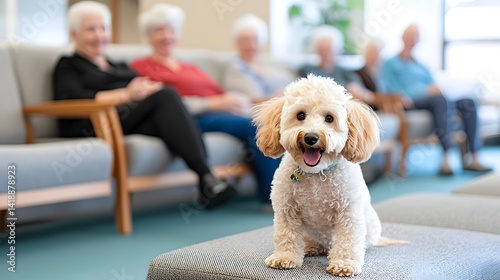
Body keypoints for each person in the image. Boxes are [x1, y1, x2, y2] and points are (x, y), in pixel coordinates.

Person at [53, 1, 237, 209]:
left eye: (104, 28)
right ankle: (206, 177)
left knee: (168, 110)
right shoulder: (68, 65)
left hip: (125, 121)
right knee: (167, 95)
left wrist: (145, 90)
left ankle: (207, 181)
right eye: (91, 29)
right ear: (73, 34)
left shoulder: (119, 65)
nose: (99, 35)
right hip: (93, 123)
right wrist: (126, 94)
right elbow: (71, 97)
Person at [130, 4, 280, 208]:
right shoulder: (141, 67)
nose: (167, 36)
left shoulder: (190, 66)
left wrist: (236, 102)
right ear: (148, 37)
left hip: (224, 111)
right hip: (193, 119)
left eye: (171, 30)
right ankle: (274, 200)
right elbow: (167, 106)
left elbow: (220, 93)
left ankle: (297, 191)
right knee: (255, 127)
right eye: (159, 31)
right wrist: (213, 103)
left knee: (274, 123)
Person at [380, 24, 492, 175]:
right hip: (411, 102)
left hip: (433, 100)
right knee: (440, 100)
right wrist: (425, 90)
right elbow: (391, 89)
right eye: (409, 35)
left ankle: (473, 157)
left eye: (415, 36)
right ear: (402, 37)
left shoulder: (420, 65)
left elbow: (433, 84)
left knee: (469, 102)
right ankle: (446, 158)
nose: (412, 39)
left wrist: (435, 89)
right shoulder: (390, 63)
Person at [222, 13, 295, 101]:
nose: (251, 46)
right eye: (245, 40)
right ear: (237, 43)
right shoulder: (235, 68)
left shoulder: (268, 64)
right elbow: (249, 101)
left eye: (255, 40)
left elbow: (290, 81)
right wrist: (277, 99)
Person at [298, 26, 377, 107]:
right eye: (322, 50)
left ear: (337, 50)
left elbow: (364, 94)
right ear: (317, 51)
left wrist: (358, 91)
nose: (326, 55)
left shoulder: (346, 72)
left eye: (329, 50)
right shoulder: (307, 70)